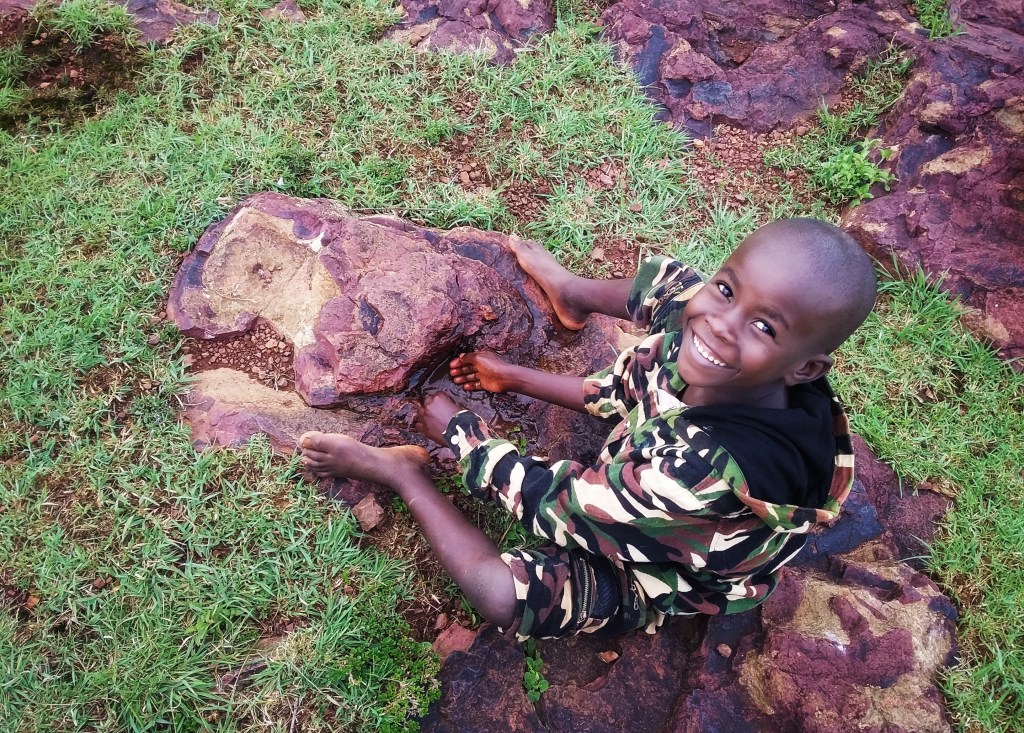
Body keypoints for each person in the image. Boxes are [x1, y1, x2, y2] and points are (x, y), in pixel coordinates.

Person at [299, 218, 877, 639]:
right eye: (727, 288)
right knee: (677, 299)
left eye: (765, 327)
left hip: (661, 564)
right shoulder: (726, 344)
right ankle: (571, 293)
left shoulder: (694, 478)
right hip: (654, 466)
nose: (724, 324)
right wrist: (514, 377)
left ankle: (404, 475)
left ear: (806, 369)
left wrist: (462, 433)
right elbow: (667, 305)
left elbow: (561, 504)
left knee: (499, 595)